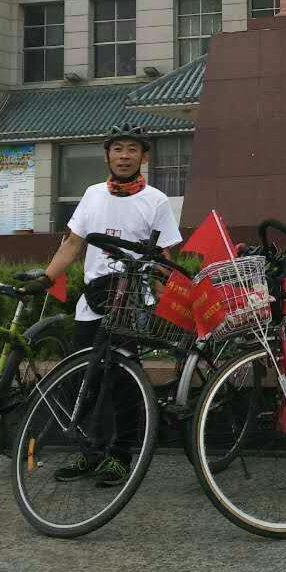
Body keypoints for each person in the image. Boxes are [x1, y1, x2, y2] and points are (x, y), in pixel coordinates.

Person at [24, 124, 183, 487]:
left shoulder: (156, 200)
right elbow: (71, 245)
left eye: (132, 150)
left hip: (131, 302)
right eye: (118, 149)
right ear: (107, 155)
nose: (124, 156)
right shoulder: (92, 194)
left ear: (144, 157)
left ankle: (120, 454)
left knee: (123, 381)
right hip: (93, 300)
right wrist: (45, 279)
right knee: (83, 378)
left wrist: (170, 299)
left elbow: (164, 257)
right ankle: (88, 450)